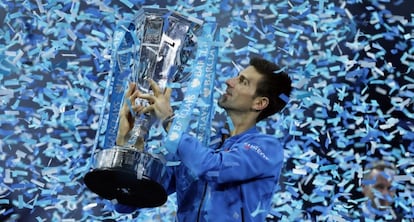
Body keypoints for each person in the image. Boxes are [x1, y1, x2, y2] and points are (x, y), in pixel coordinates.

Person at [116, 57, 292, 221]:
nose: (229, 82)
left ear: (259, 103)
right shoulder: (197, 147)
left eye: (242, 81)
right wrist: (130, 145)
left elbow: (212, 168)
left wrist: (169, 121)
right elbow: (128, 201)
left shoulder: (267, 148)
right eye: (236, 77)